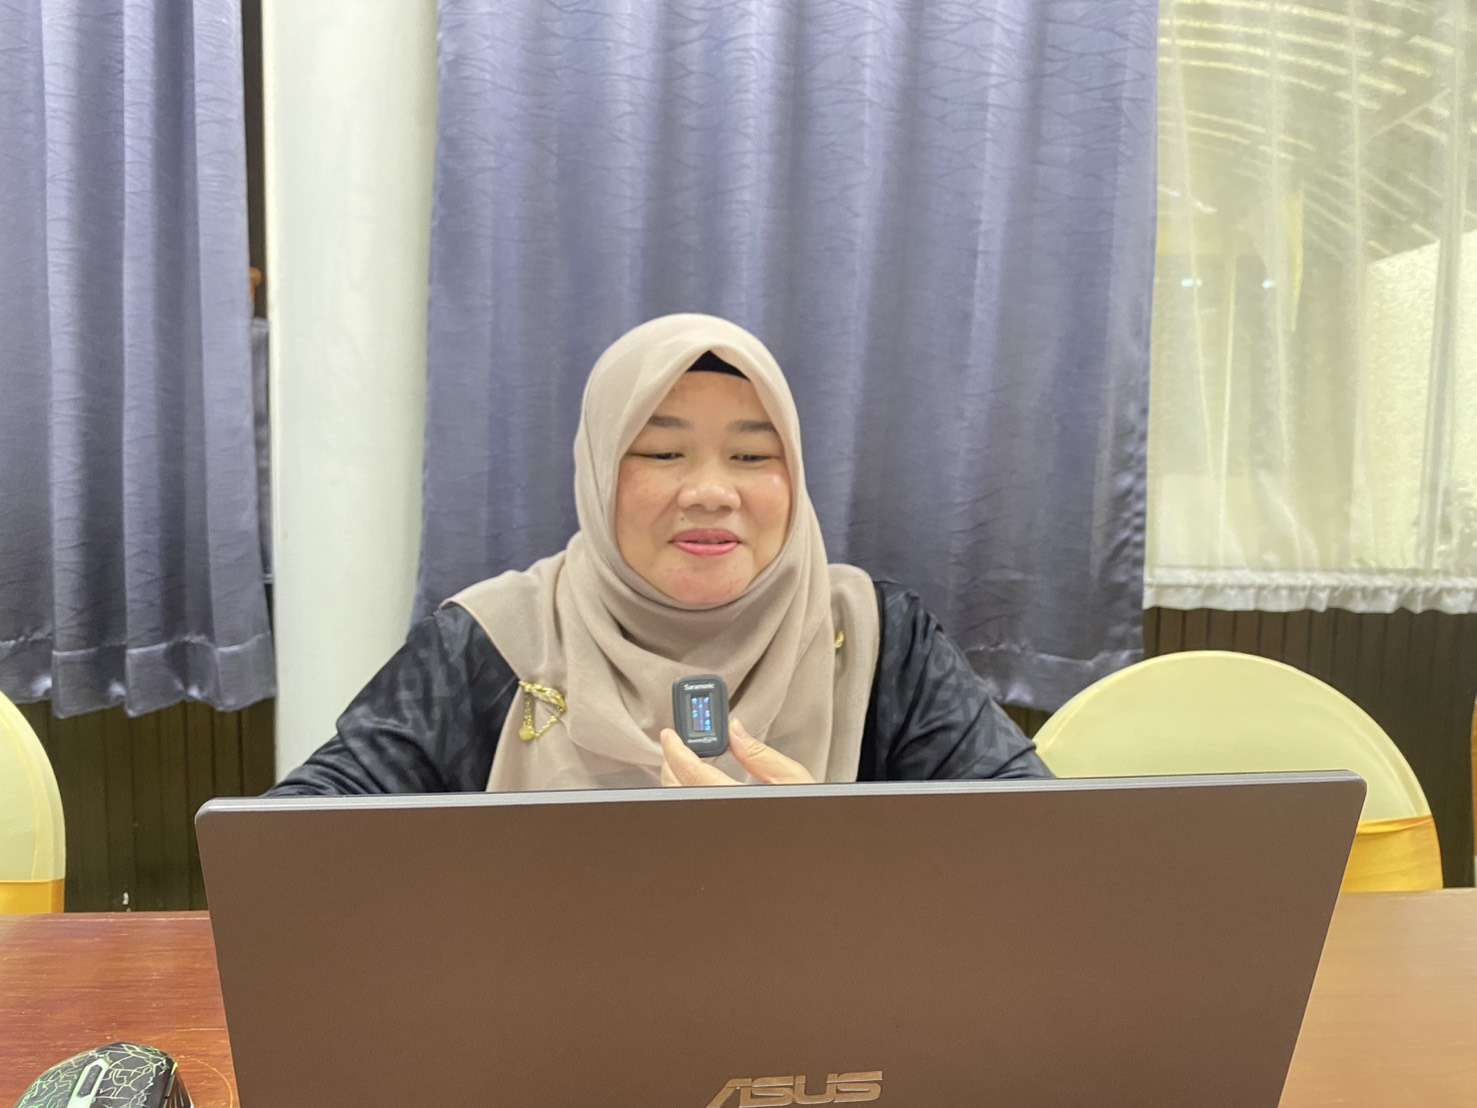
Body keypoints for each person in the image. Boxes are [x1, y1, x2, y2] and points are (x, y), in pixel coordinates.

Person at [269, 314, 1049, 796]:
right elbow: (301, 843)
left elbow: (1030, 844)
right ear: (600, 474)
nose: (710, 492)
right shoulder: (497, 639)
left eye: (752, 457)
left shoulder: (876, 638)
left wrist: (825, 855)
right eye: (663, 454)